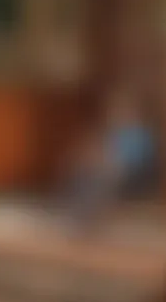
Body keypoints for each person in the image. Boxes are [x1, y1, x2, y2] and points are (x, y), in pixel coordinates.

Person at [59, 92, 156, 233]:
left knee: (100, 178)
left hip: (133, 175)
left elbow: (140, 163)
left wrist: (112, 164)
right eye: (116, 110)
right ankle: (80, 216)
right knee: (83, 171)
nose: (118, 114)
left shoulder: (140, 135)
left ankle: (87, 218)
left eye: (122, 110)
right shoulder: (114, 132)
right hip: (111, 170)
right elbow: (103, 152)